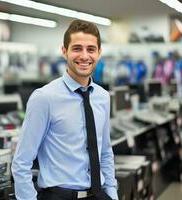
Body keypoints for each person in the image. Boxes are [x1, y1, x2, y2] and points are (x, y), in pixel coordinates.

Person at [11, 19, 118, 200]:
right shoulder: (44, 98)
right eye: (77, 48)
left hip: (98, 195)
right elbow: (21, 162)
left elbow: (105, 152)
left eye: (91, 49)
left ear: (99, 53)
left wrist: (112, 194)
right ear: (64, 51)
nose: (84, 56)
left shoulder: (103, 97)